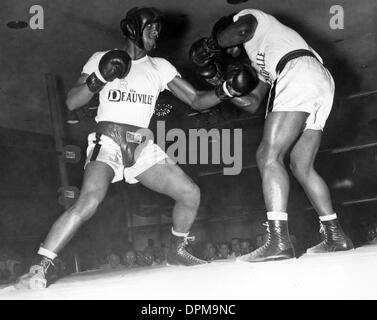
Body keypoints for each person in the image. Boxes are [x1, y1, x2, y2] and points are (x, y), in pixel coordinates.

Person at [17, 6, 257, 289]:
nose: (156, 34)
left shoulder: (160, 67)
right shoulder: (100, 59)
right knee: (89, 201)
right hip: (108, 138)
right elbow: (72, 101)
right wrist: (101, 78)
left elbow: (196, 101)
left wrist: (226, 90)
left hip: (141, 143)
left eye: (158, 29)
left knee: (190, 193)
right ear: (133, 29)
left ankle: (176, 250)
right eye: (150, 28)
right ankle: (39, 266)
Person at [191, 9, 354, 262]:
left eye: (227, 46)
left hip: (299, 71)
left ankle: (278, 241)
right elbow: (253, 102)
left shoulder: (252, 19)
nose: (229, 53)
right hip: (317, 81)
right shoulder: (262, 61)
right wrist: (220, 84)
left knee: (268, 155)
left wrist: (212, 44)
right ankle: (335, 236)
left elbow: (242, 29)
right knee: (302, 165)